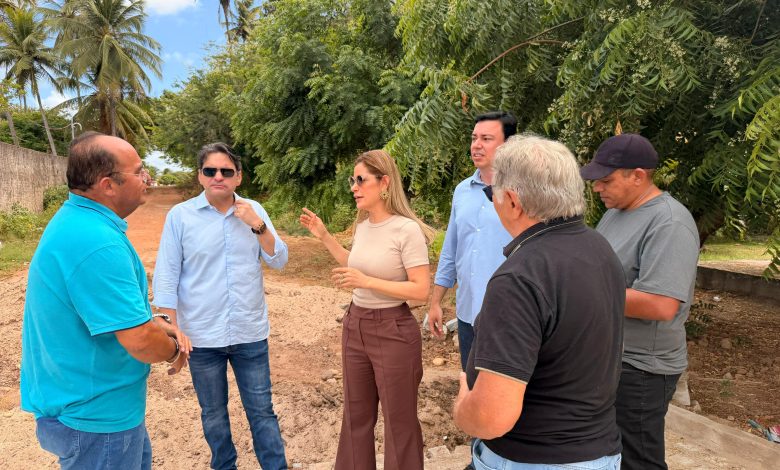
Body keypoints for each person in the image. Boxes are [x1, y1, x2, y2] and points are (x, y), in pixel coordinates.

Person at [20, 132, 191, 470]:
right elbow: (141, 341)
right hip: (95, 417)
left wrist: (153, 321)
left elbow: (107, 313)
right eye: (139, 172)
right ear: (107, 185)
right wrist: (174, 351)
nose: (148, 179)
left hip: (89, 406)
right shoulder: (97, 243)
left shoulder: (78, 221)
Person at [453, 134, 625, 469]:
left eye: (493, 194)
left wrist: (463, 406)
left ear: (513, 202)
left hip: (532, 458)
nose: (493, 202)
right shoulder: (599, 249)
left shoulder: (519, 277)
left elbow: (491, 417)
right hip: (598, 454)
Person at [152, 143, 289, 470]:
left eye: (226, 171)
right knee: (213, 413)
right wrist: (173, 332)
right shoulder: (180, 216)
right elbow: (167, 276)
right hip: (201, 338)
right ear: (200, 175)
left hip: (249, 334)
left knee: (262, 411)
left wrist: (257, 224)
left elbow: (280, 260)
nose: (218, 177)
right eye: (210, 171)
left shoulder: (253, 210)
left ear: (238, 177)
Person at [299, 150, 435, 470]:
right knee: (355, 418)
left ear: (384, 182)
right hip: (355, 325)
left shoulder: (406, 230)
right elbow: (354, 264)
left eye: (361, 180)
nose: (354, 187)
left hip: (394, 331)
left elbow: (420, 289)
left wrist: (367, 281)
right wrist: (324, 236)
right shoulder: (363, 226)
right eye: (353, 180)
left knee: (399, 423)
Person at [580, 133, 699, 470]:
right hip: (610, 358)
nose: (597, 189)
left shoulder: (670, 223)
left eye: (606, 180)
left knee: (638, 460)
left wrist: (578, 290)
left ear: (639, 175)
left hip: (641, 368)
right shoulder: (616, 213)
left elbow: (661, 304)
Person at [427, 111, 516, 370]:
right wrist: (436, 302)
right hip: (467, 315)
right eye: (474, 138)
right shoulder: (462, 191)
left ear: (508, 145)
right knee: (470, 385)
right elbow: (451, 250)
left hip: (509, 318)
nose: (476, 145)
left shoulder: (523, 192)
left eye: (486, 138)